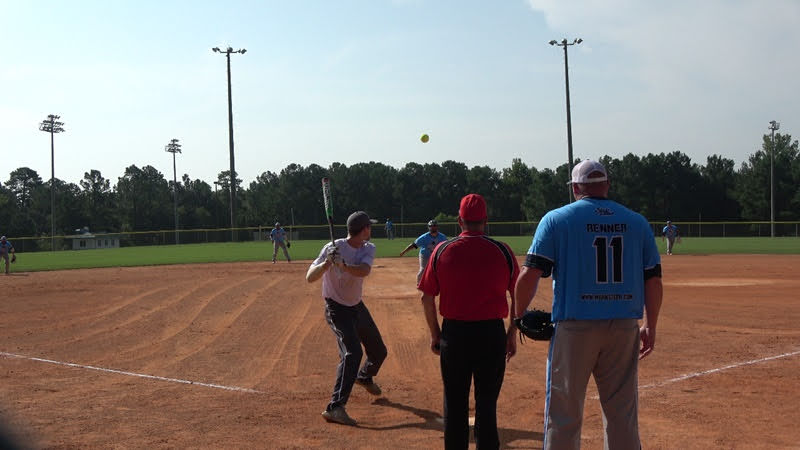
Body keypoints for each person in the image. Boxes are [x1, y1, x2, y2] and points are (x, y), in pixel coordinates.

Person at [514, 159, 663, 450]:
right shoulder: (637, 222)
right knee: (622, 413)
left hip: (575, 329)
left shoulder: (557, 219)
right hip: (623, 328)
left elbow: (529, 275)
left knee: (564, 413)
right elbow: (653, 281)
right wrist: (651, 326)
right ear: (607, 185)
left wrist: (518, 316)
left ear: (575, 188)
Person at [418, 194, 520, 450]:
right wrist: (511, 332)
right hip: (491, 334)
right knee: (487, 404)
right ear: (485, 220)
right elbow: (518, 295)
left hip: (455, 335)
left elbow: (427, 298)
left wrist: (436, 334)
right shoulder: (503, 251)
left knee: (454, 404)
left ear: (459, 221)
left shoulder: (442, 250)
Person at [305, 211, 388, 426]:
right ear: (364, 229)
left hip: (356, 306)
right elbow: (309, 277)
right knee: (352, 352)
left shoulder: (368, 248)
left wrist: (343, 266)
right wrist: (326, 264)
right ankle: (335, 407)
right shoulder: (332, 247)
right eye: (369, 226)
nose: (371, 229)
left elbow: (364, 270)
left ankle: (364, 377)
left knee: (379, 351)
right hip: (336, 308)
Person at [399, 219, 448, 284]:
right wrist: (404, 251)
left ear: (437, 227)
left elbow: (447, 247)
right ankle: (419, 283)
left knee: (439, 269)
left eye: (434, 226)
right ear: (428, 227)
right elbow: (414, 245)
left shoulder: (442, 237)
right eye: (430, 226)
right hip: (425, 256)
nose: (432, 227)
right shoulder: (424, 237)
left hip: (436, 256)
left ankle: (438, 283)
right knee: (423, 269)